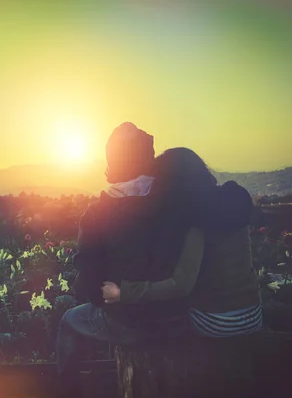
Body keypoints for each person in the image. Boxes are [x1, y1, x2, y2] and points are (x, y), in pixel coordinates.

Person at [56, 124, 196, 396]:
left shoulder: (97, 213)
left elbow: (90, 287)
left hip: (129, 323)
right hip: (176, 318)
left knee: (68, 322)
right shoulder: (176, 202)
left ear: (113, 161)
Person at [102, 148, 262, 338]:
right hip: (253, 314)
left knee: (153, 321)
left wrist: (122, 293)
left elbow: (181, 284)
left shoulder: (195, 218)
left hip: (217, 322)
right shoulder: (232, 200)